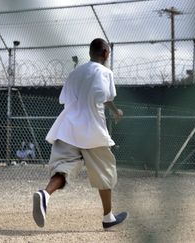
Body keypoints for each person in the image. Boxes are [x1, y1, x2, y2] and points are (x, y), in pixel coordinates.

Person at [32, 38, 127, 230]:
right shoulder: (106, 72)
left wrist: (112, 109)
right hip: (92, 129)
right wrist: (116, 111)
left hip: (68, 127)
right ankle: (108, 217)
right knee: (105, 172)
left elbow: (67, 98)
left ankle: (45, 194)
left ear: (90, 52)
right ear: (106, 53)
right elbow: (103, 96)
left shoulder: (75, 72)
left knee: (63, 169)